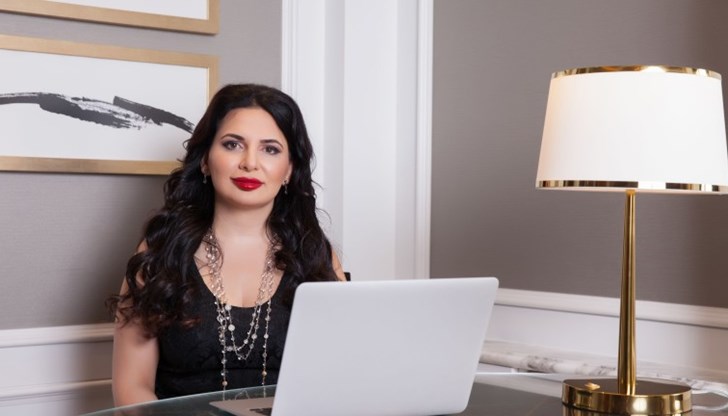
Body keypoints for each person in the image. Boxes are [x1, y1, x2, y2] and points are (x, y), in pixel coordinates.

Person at [107, 84, 346, 406]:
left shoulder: (315, 255)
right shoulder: (161, 252)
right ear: (205, 160)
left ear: (290, 169)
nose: (250, 163)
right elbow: (131, 388)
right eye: (233, 145)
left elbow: (337, 377)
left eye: (270, 149)